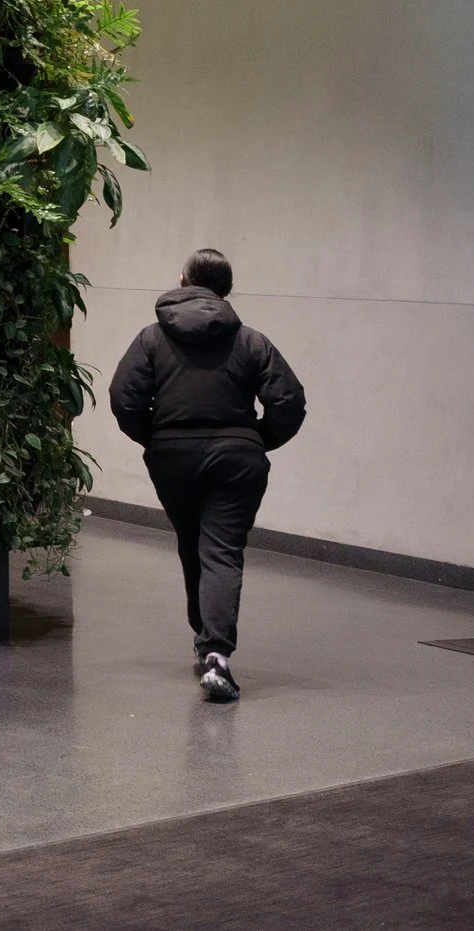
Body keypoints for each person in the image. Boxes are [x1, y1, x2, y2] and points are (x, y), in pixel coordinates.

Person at [108, 248, 305, 703]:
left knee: (191, 542)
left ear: (182, 280)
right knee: (221, 550)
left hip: (172, 456)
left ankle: (205, 636)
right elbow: (289, 403)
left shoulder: (151, 340)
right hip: (237, 460)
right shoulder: (251, 341)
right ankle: (216, 653)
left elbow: (124, 397)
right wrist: (255, 438)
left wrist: (156, 437)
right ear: (227, 291)